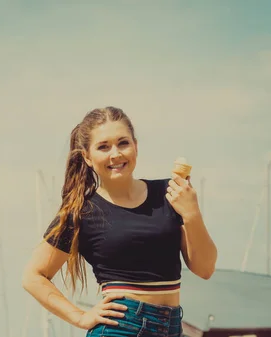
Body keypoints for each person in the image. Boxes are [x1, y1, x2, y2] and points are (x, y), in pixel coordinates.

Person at [21, 106, 217, 336]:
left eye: (123, 143)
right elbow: (33, 277)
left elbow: (204, 268)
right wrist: (81, 317)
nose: (115, 154)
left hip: (173, 327)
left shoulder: (170, 193)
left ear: (136, 146)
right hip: (119, 329)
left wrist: (192, 213)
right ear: (87, 157)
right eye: (103, 147)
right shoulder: (81, 211)